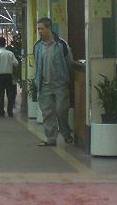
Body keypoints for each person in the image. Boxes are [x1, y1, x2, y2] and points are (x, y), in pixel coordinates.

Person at [33, 17, 74, 146]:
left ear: (49, 28)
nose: (39, 31)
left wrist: (68, 80)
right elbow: (37, 64)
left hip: (60, 85)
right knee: (47, 113)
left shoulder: (61, 45)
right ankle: (51, 138)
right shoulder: (38, 46)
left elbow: (69, 63)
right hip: (44, 85)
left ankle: (66, 132)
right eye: (38, 29)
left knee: (61, 110)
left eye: (41, 28)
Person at [0, 36, 19, 117]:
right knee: (10, 94)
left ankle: (1, 111)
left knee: (0, 94)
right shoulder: (10, 53)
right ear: (5, 43)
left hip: (0, 76)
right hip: (9, 76)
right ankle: (10, 111)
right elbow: (16, 63)